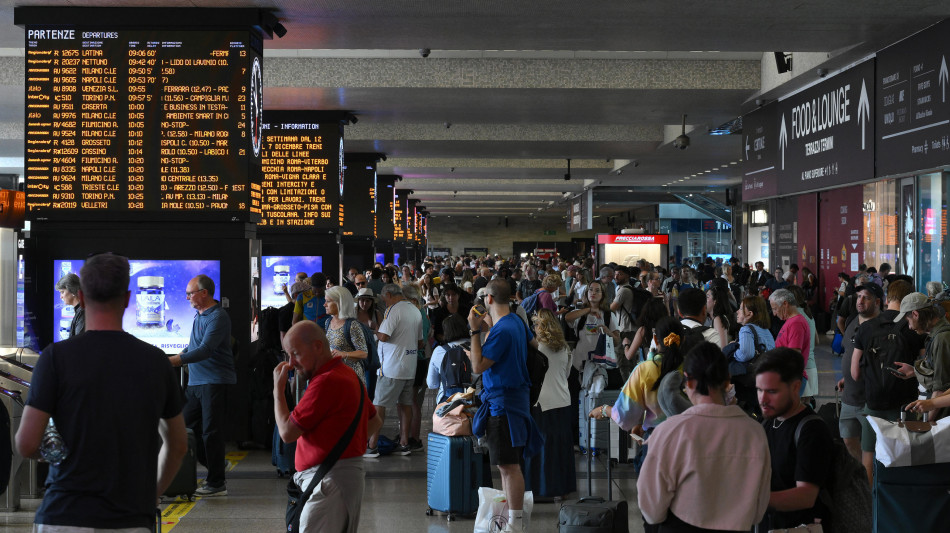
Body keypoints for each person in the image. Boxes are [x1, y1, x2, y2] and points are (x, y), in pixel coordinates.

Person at [15, 253, 188, 529]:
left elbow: (26, 444)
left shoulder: (55, 358)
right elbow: (178, 445)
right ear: (129, 299)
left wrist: (58, 453)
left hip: (65, 514)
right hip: (130, 516)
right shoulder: (155, 362)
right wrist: (149, 494)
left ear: (81, 297)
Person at [638, 342, 771, 532]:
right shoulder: (755, 433)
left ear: (688, 382)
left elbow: (651, 510)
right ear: (727, 381)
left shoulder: (670, 432)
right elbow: (758, 511)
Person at [274, 321, 382, 533]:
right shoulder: (346, 374)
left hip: (329, 483)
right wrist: (341, 446)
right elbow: (374, 421)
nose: (291, 362)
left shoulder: (325, 382)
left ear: (317, 346)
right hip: (337, 479)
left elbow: (287, 432)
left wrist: (278, 390)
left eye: (295, 353)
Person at [468, 279, 543, 533]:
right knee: (505, 465)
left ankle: (516, 523)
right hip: (515, 400)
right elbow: (533, 346)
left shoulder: (502, 331)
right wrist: (490, 328)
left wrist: (474, 331)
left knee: (509, 467)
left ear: (488, 299)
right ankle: (512, 518)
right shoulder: (515, 323)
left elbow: (478, 366)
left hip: (504, 406)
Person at [168, 274, 236, 497]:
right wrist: (180, 355)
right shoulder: (199, 316)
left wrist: (174, 361)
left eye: (190, 293)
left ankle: (217, 483)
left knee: (211, 432)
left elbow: (206, 349)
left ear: (204, 293)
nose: (187, 297)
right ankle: (214, 463)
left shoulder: (218, 317)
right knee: (185, 427)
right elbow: (194, 346)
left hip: (214, 382)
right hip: (196, 382)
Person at [850, 280, 923, 481]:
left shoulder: (866, 327)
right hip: (905, 406)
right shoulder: (913, 327)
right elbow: (925, 367)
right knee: (903, 456)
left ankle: (871, 506)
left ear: (887, 298)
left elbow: (855, 373)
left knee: (868, 456)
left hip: (873, 404)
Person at [755, 347, 833, 531]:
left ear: (795, 387)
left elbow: (806, 495)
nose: (762, 399)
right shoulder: (766, 423)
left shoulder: (811, 430)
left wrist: (752, 502)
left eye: (772, 391)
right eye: (759, 390)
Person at [591, 316, 686, 438]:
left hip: (656, 440)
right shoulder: (690, 367)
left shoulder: (645, 369)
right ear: (683, 340)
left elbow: (624, 414)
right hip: (688, 440)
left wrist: (603, 410)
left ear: (655, 340)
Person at [365, 283, 423, 457]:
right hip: (410, 366)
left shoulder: (393, 310)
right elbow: (421, 343)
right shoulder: (415, 310)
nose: (385, 303)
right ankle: (404, 443)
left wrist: (374, 328)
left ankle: (372, 445)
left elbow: (384, 336)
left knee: (379, 405)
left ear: (388, 295)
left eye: (384, 299)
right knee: (405, 405)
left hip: (391, 367)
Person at [524, 308, 575, 499]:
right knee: (561, 447)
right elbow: (567, 374)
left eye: (536, 324)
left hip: (541, 403)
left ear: (541, 326)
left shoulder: (536, 349)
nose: (534, 328)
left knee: (541, 446)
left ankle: (539, 488)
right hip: (563, 401)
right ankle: (561, 488)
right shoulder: (565, 348)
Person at [837, 282, 881, 461]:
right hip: (849, 396)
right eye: (858, 297)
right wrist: (846, 377)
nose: (860, 301)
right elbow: (849, 352)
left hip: (868, 399)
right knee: (848, 440)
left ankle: (872, 479)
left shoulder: (882, 327)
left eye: (866, 297)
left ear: (877, 302)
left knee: (872, 446)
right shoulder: (851, 321)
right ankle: (862, 475)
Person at [564, 280, 621, 370]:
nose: (593, 293)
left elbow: (617, 342)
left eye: (597, 290)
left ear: (603, 294)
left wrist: (608, 332)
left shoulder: (608, 315)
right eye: (590, 290)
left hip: (601, 364)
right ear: (587, 293)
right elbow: (567, 317)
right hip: (579, 363)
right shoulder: (579, 313)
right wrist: (589, 310)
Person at [768, 289, 811, 395]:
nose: (774, 314)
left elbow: (793, 357)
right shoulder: (791, 322)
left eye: (775, 309)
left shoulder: (796, 323)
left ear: (785, 304)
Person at [323, 286, 369, 382]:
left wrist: (344, 354)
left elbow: (364, 353)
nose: (324, 304)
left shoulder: (352, 325)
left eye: (328, 301)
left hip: (351, 377)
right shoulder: (328, 322)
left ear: (339, 303)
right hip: (335, 374)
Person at [427, 314, 471, 403]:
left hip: (448, 400)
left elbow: (432, 384)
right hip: (475, 399)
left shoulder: (440, 351)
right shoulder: (478, 347)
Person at [55, 272, 85, 338]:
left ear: (73, 291)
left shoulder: (83, 312)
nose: (61, 297)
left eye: (62, 292)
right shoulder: (81, 310)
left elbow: (79, 343)